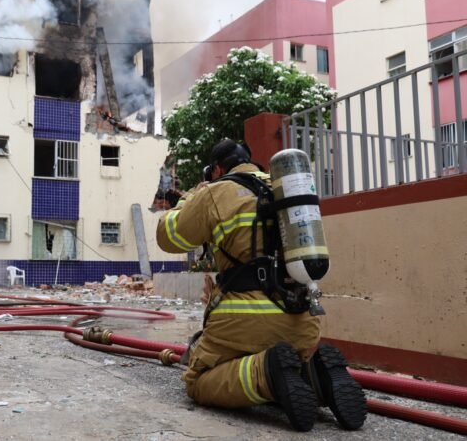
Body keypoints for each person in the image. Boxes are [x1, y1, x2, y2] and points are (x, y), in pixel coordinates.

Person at [156, 139, 366, 432]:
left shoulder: (216, 192)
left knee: (199, 381)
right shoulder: (285, 187)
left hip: (242, 320)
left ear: (217, 169)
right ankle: (317, 373)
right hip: (302, 321)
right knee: (290, 362)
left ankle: (265, 374)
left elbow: (168, 237)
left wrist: (190, 198)